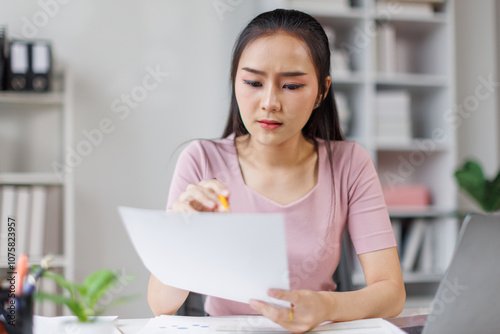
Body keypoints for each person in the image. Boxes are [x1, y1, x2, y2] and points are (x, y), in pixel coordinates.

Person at [148, 8, 405, 333]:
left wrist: (326, 306)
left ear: (322, 91)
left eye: (292, 86)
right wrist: (183, 234)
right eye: (253, 82)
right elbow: (161, 304)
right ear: (235, 81)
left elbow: (392, 293)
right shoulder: (201, 160)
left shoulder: (349, 164)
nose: (269, 102)